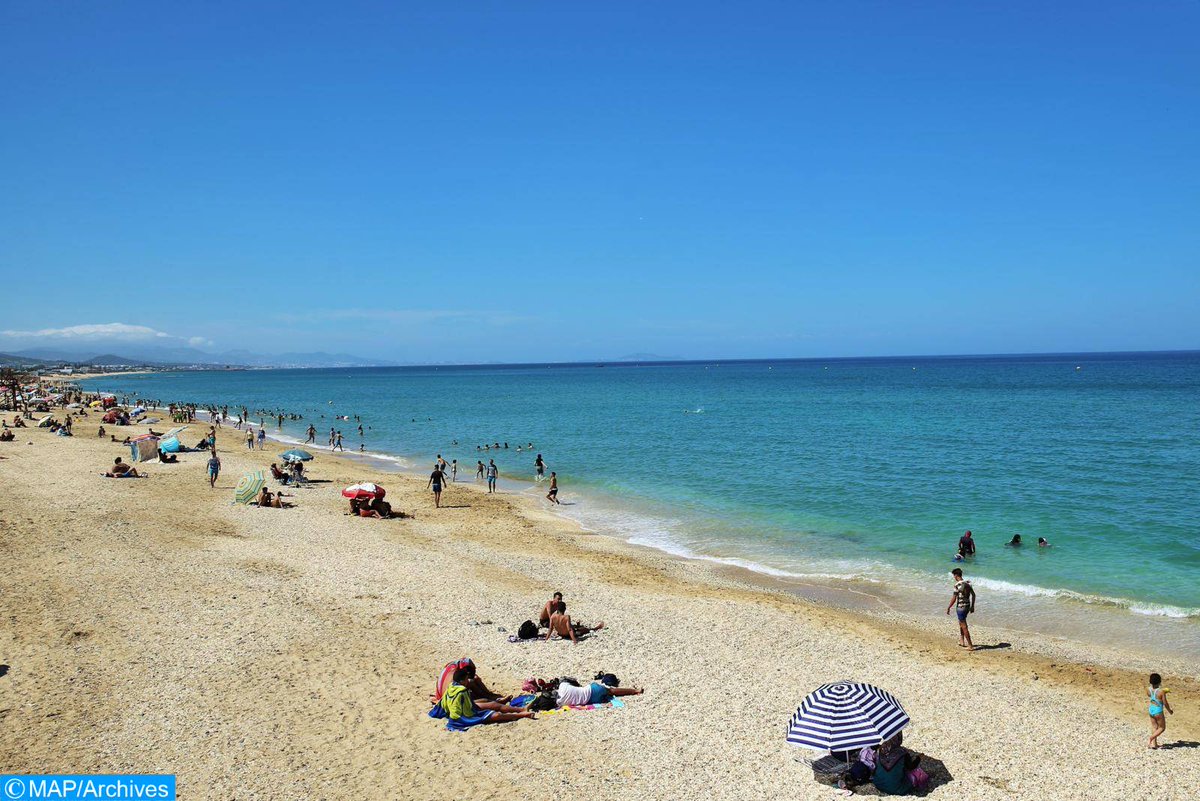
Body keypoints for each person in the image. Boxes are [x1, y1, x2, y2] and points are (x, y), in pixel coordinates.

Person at [438, 667, 535, 725]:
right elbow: (471, 711)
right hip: (463, 716)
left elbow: (444, 703)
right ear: (462, 681)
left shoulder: (452, 686)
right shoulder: (462, 691)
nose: (468, 681)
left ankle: (521, 709)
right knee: (496, 715)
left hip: (465, 709)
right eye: (467, 679)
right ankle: (521, 714)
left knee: (490, 703)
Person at [555, 676, 642, 707]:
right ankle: (635, 691)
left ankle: (635, 691)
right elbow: (571, 681)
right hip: (591, 689)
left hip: (592, 700)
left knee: (609, 693)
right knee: (612, 691)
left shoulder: (560, 703)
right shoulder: (563, 686)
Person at [946, 567, 975, 650]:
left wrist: (949, 607)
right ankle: (962, 641)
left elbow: (954, 598)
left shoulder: (957, 585)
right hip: (967, 606)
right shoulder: (968, 583)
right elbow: (973, 595)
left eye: (953, 576)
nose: (954, 578)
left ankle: (970, 645)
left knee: (964, 625)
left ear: (956, 575)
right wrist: (972, 606)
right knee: (961, 623)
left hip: (960, 607)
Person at [1147, 673, 1173, 748]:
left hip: (1151, 709)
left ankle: (1154, 744)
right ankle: (1151, 738)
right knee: (1162, 728)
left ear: (1150, 682)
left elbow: (1150, 695)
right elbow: (1165, 703)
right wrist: (1170, 711)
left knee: (1154, 727)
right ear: (1160, 682)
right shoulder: (1161, 692)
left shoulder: (1148, 689)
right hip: (1157, 710)